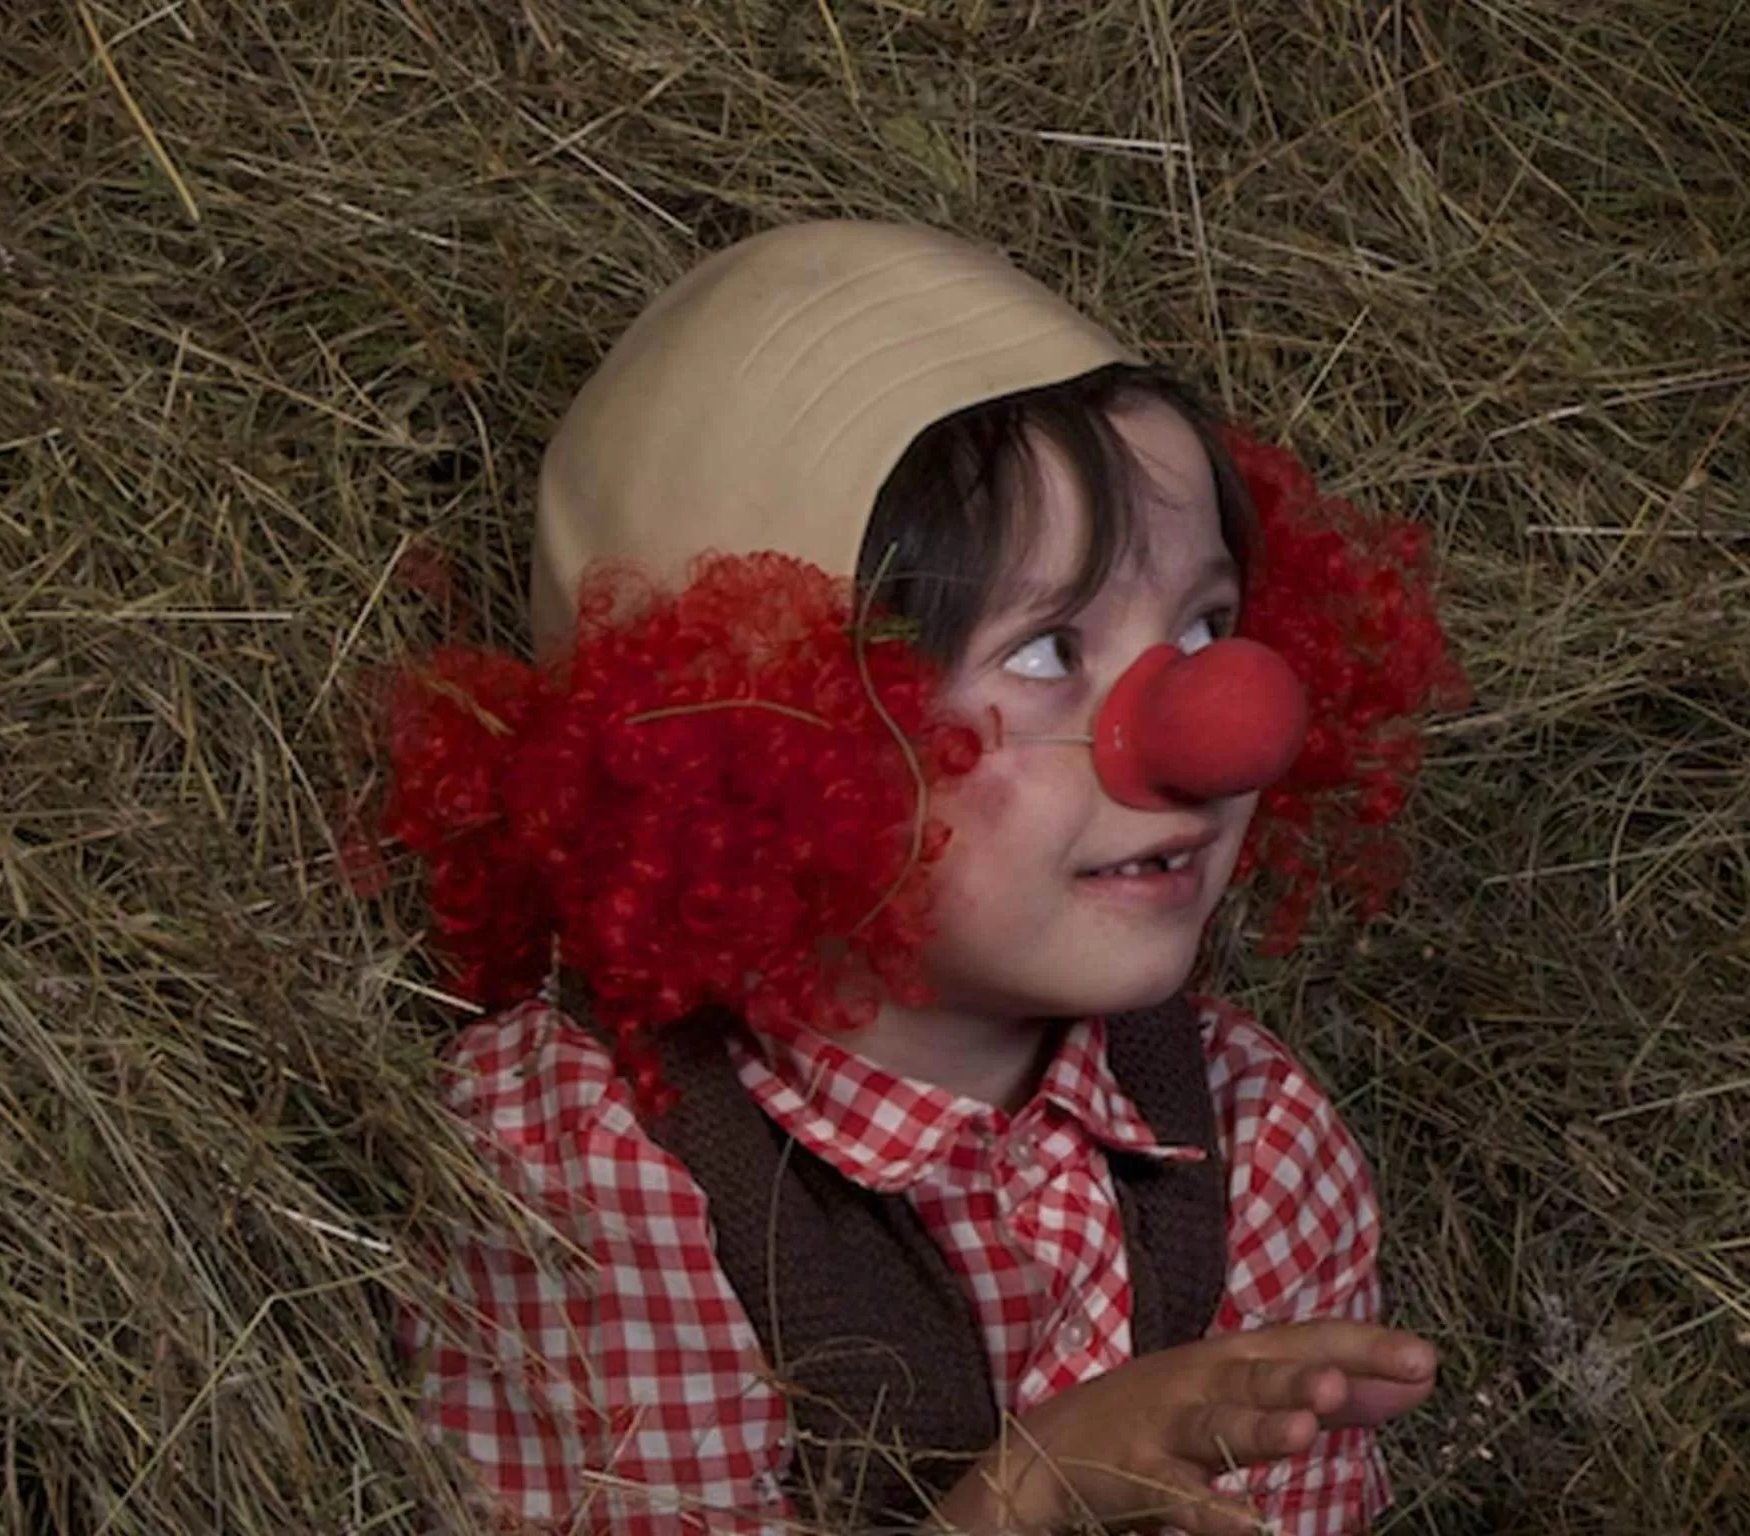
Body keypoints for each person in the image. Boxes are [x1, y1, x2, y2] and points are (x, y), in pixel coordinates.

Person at [383, 223, 1459, 1535]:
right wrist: (1027, 1491)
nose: (1213, 723)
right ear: (768, 733)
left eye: (1203, 626)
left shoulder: (1256, 1139)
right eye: (1049, 648)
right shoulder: (591, 1163)